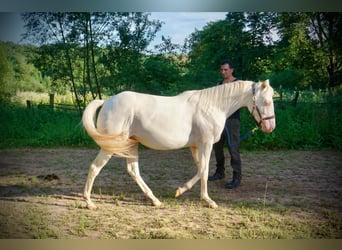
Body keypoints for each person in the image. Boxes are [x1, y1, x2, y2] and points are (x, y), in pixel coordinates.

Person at [208, 60, 242, 189]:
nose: (223, 72)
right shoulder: (219, 84)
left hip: (232, 121)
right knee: (217, 148)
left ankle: (237, 177)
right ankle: (219, 172)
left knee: (233, 149)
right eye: (221, 70)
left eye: (225, 70)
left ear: (231, 70)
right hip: (218, 121)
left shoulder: (238, 84)